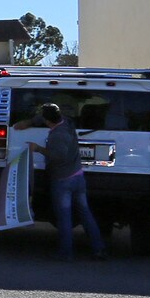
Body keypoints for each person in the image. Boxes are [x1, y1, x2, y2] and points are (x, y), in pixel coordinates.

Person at [39, 103, 106, 261]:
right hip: (78, 177)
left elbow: (57, 157)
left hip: (63, 180)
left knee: (64, 217)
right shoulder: (68, 123)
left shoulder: (57, 135)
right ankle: (99, 248)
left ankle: (65, 253)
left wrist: (38, 149)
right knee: (85, 214)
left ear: (47, 121)